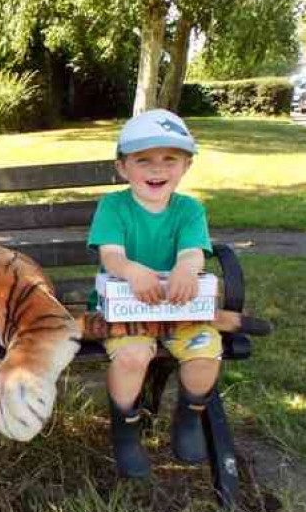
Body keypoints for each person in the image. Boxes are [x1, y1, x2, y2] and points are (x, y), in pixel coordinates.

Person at [87, 109, 221, 479]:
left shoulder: (189, 210)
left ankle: (189, 416)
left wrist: (186, 268)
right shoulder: (113, 206)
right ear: (122, 167)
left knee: (205, 355)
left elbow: (193, 252)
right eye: (143, 160)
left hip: (181, 310)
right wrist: (131, 269)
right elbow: (110, 255)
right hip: (127, 311)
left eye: (169, 159)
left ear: (186, 165)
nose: (156, 169)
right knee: (132, 356)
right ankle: (125, 430)